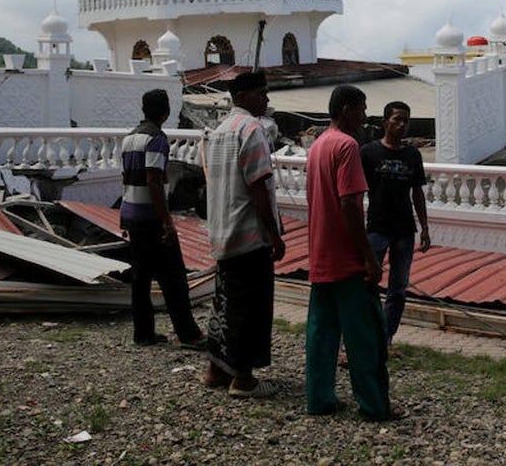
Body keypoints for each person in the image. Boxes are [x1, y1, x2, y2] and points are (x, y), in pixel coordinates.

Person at [304, 84, 405, 420]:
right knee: (367, 336)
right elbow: (350, 203)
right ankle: (375, 405)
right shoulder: (347, 146)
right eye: (362, 109)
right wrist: (368, 256)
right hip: (346, 258)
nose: (365, 116)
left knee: (322, 335)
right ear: (346, 108)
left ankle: (320, 399)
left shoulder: (318, 145)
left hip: (321, 254)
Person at [202, 71, 286, 398]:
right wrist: (274, 233)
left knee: (224, 301)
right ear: (247, 96)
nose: (266, 100)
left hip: (222, 231)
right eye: (262, 93)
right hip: (248, 233)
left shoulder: (218, 131)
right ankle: (243, 377)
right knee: (249, 307)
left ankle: (215, 369)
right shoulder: (251, 130)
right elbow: (258, 186)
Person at [119, 89, 204, 348]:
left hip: (132, 213)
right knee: (174, 277)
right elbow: (154, 180)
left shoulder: (129, 138)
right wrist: (167, 220)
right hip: (151, 218)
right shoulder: (156, 139)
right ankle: (187, 333)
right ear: (166, 112)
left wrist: (123, 215)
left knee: (141, 278)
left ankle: (143, 333)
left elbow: (126, 179)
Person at [361, 101, 430, 349]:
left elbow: (417, 194)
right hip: (377, 228)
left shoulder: (412, 155)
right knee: (368, 283)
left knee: (398, 288)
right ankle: (365, 335)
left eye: (405, 121)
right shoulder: (368, 153)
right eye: (397, 119)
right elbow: (356, 193)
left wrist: (425, 227)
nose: (402, 125)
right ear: (385, 122)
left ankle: (386, 338)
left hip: (404, 230)